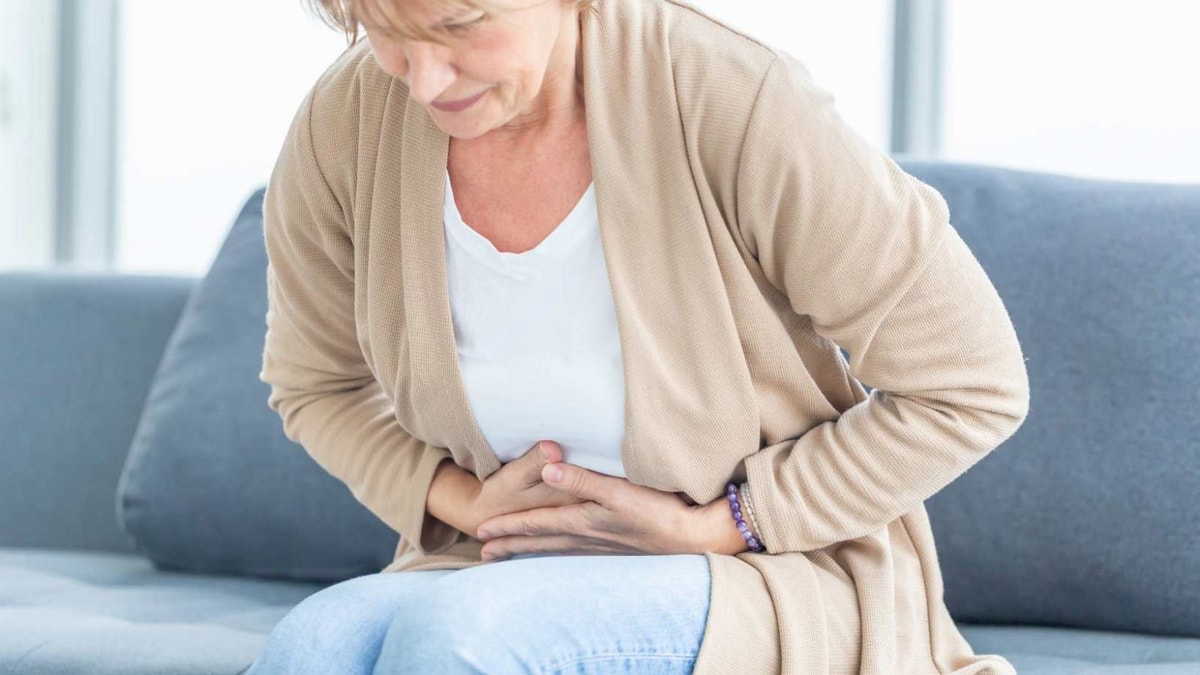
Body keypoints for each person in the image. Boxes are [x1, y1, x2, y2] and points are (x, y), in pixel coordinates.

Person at [248, 0, 1031, 673]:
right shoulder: (346, 122)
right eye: (388, 30)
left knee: (462, 641)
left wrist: (722, 522)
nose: (423, 79)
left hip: (762, 574)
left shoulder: (730, 96)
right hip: (496, 565)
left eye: (460, 25)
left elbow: (973, 381)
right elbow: (315, 386)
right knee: (313, 643)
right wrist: (468, 503)